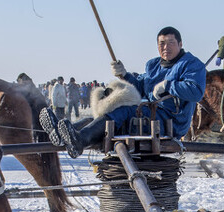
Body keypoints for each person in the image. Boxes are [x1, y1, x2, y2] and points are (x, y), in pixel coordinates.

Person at [42, 26, 207, 158]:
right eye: (162, 43)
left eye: (171, 43)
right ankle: (65, 132)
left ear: (180, 44)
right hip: (149, 114)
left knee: (123, 111)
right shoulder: (154, 65)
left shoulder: (191, 64)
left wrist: (169, 85)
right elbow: (141, 87)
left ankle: (81, 139)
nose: (166, 47)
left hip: (170, 119)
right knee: (107, 115)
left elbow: (196, 91)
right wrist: (124, 74)